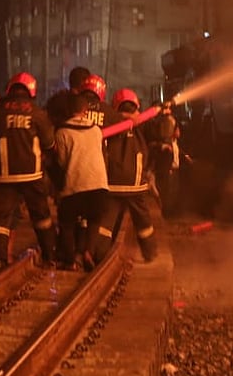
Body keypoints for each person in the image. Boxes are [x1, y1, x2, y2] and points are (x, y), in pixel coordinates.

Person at [0, 72, 55, 272]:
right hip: (33, 175)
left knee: (0, 220)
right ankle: (50, 256)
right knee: (42, 217)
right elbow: (49, 142)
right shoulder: (37, 112)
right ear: (31, 91)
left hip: (4, 175)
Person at [52, 92, 110, 270]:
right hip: (99, 185)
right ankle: (88, 252)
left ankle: (70, 260)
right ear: (85, 111)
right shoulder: (96, 130)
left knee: (67, 222)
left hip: (74, 186)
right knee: (94, 219)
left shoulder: (61, 132)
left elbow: (61, 161)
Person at [104, 89, 160, 262]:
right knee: (143, 221)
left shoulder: (110, 124)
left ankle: (99, 254)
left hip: (112, 184)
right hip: (135, 185)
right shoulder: (140, 125)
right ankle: (150, 253)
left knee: (106, 222)